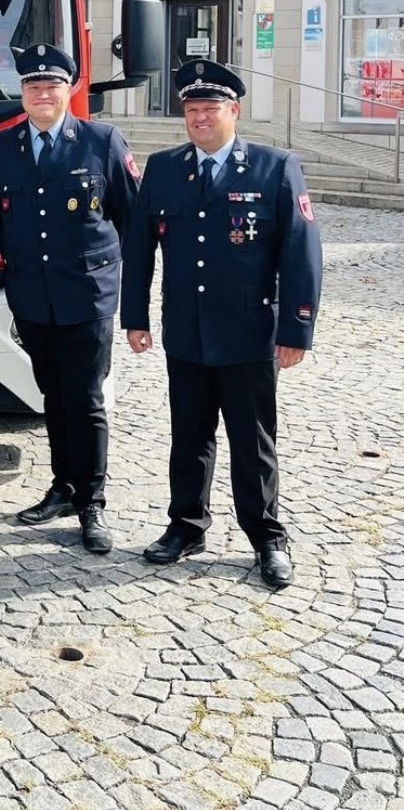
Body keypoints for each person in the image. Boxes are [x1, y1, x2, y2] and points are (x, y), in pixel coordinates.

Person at [120, 59, 323, 589]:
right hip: (186, 331)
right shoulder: (164, 168)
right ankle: (186, 526)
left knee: (252, 441)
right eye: (191, 109)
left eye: (210, 108)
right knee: (188, 436)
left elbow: (301, 255)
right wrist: (135, 316)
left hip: (249, 333)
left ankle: (267, 538)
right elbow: (140, 248)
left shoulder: (274, 167)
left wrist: (296, 329)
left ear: (234, 110)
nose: (200, 117)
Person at [0, 43, 140, 553]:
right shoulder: (4, 147)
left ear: (69, 89)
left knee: (88, 400)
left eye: (52, 84)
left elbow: (131, 220)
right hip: (33, 297)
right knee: (52, 396)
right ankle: (62, 486)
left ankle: (91, 503)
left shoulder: (101, 140)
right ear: (22, 93)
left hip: (87, 295)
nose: (42, 93)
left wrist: (132, 296)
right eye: (33, 85)